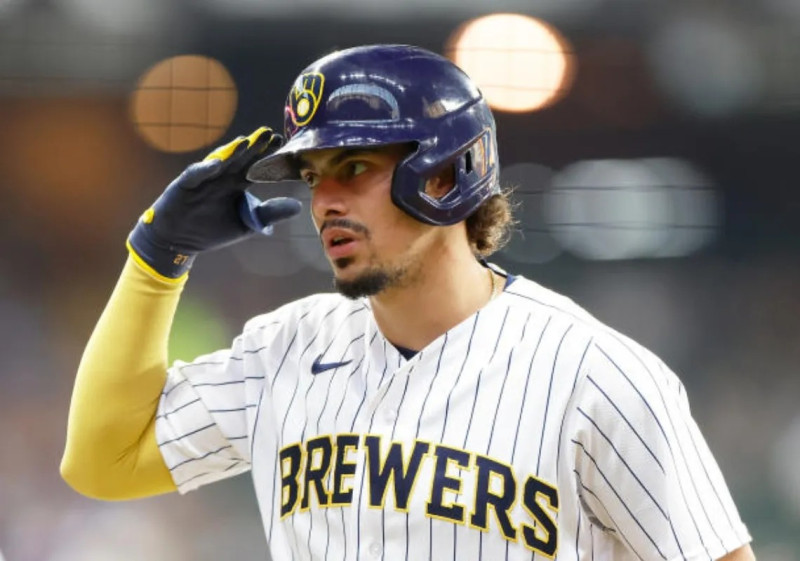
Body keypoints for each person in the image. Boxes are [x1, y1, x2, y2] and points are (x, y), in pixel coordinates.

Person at [61, 44, 755, 561]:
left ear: (450, 171)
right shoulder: (286, 350)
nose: (323, 200)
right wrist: (156, 260)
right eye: (312, 175)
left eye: (353, 167)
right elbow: (103, 459)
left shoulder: (596, 374)